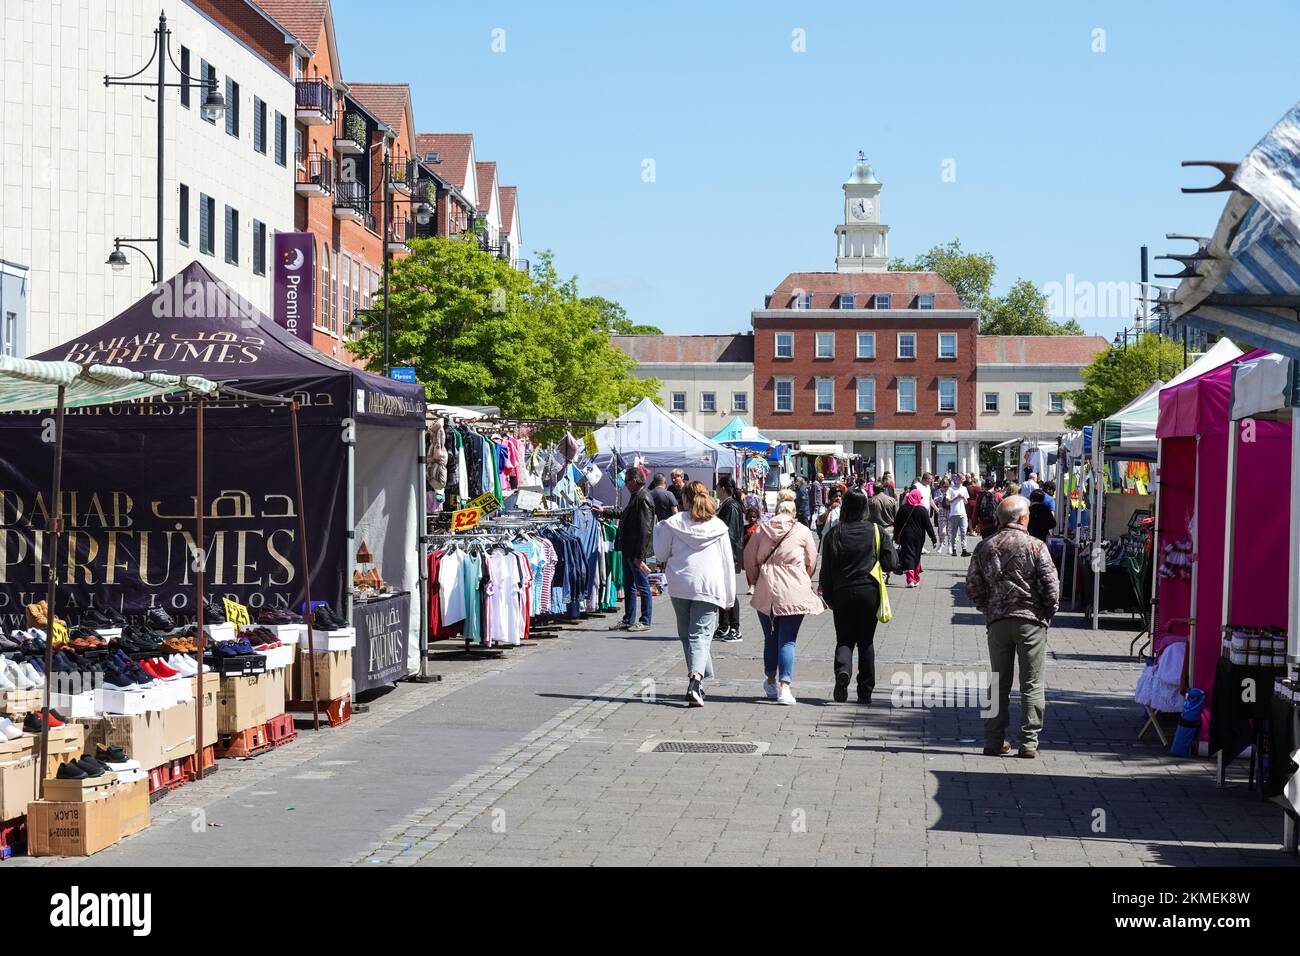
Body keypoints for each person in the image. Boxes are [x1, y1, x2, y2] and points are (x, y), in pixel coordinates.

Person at [965, 496, 1060, 758]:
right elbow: (1051, 586)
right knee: (1031, 682)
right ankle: (1028, 742)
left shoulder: (985, 546)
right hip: (1031, 620)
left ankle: (994, 739)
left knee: (998, 682)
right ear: (1022, 518)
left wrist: (988, 607)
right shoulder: (1036, 546)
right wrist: (1047, 612)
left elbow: (973, 586)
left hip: (998, 621)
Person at [653, 481, 737, 708]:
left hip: (681, 582)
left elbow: (660, 555)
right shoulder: (718, 526)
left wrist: (659, 531)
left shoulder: (673, 523)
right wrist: (730, 597)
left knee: (688, 634)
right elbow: (727, 563)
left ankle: (699, 677)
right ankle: (697, 680)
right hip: (708, 585)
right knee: (699, 635)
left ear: (684, 500)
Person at [744, 496, 822, 706]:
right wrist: (802, 576)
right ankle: (784, 687)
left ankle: (770, 681)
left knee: (770, 637)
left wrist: (756, 579)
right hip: (794, 588)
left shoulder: (761, 530)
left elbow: (749, 558)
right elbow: (811, 560)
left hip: (766, 588)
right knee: (787, 639)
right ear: (794, 513)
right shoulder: (803, 531)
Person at [819, 489, 885, 704]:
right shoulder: (876, 531)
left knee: (844, 639)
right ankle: (865, 690)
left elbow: (826, 570)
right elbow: (892, 561)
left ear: (845, 507)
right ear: (865, 507)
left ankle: (842, 672)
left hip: (842, 593)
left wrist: (828, 596)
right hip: (869, 591)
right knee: (866, 641)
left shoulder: (834, 534)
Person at [596, 466, 655, 632]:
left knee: (642, 586)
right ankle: (628, 619)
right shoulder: (636, 496)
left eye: (627, 481)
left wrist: (640, 556)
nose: (626, 485)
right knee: (629, 585)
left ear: (635, 481)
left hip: (636, 551)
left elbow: (645, 529)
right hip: (629, 549)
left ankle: (645, 620)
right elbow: (624, 514)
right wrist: (605, 511)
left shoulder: (643, 498)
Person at [713, 475, 746, 643]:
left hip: (729, 554)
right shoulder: (726, 505)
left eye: (717, 487)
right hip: (723, 554)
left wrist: (727, 554)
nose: (716, 490)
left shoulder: (731, 506)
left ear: (723, 488)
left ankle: (735, 627)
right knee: (722, 590)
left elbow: (730, 533)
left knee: (729, 591)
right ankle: (724, 625)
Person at [893, 488, 937, 588]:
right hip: (919, 537)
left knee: (908, 555)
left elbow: (897, 524)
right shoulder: (922, 509)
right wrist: (933, 539)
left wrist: (896, 537)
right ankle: (915, 578)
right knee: (916, 555)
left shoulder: (903, 508)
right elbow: (928, 526)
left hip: (906, 536)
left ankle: (910, 580)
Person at [945, 478, 971, 557]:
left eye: (963, 479)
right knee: (954, 533)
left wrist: (963, 498)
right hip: (954, 513)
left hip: (962, 513)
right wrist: (956, 497)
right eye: (961, 479)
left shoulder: (964, 488)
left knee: (963, 532)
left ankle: (964, 549)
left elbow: (966, 502)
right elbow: (947, 502)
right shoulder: (950, 489)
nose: (962, 480)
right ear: (957, 479)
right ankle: (954, 550)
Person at [933, 477, 951, 552]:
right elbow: (934, 500)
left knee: (950, 530)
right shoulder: (938, 491)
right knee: (942, 531)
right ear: (941, 486)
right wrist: (942, 497)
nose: (946, 488)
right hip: (941, 512)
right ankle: (941, 543)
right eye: (945, 486)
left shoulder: (951, 491)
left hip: (950, 512)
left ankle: (949, 546)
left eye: (947, 486)